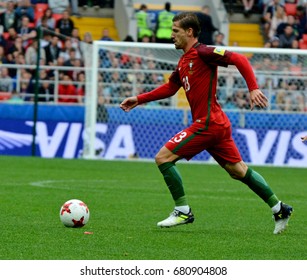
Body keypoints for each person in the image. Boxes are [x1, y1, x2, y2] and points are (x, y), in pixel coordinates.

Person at [120, 12, 293, 234]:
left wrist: (253, 87)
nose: (171, 35)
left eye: (175, 31)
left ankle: (182, 210)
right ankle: (280, 208)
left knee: (163, 158)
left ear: (189, 32)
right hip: (216, 124)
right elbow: (171, 88)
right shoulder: (183, 61)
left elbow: (239, 59)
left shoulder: (203, 52)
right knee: (238, 171)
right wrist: (139, 99)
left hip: (208, 123)